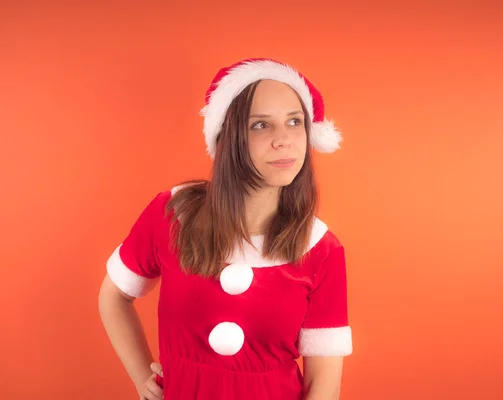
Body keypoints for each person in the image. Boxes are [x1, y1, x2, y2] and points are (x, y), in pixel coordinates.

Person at [98, 58, 353, 400]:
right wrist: (142, 377)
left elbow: (323, 387)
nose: (284, 140)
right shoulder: (172, 214)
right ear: (228, 137)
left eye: (295, 122)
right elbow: (114, 296)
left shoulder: (321, 249)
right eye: (261, 125)